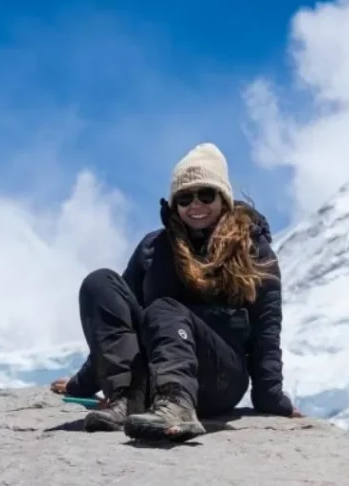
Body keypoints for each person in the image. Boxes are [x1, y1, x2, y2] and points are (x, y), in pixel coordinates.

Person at [50, 142, 300, 442]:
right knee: (99, 284)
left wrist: (272, 399)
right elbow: (118, 325)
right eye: (184, 198)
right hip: (154, 375)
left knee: (164, 309)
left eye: (205, 195)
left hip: (217, 378)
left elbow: (266, 331)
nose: (195, 205)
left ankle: (178, 405)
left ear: (223, 198)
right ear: (174, 204)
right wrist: (82, 384)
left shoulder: (254, 251)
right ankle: (127, 399)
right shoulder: (153, 249)